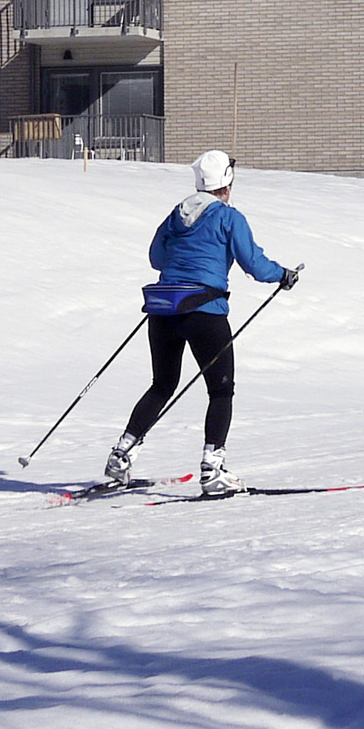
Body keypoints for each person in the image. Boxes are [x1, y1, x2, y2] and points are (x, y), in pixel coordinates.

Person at [104, 149, 297, 497]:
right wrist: (282, 275)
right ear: (227, 182)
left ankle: (122, 454)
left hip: (164, 309)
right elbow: (252, 263)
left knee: (162, 384)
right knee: (220, 390)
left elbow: (156, 257)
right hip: (205, 312)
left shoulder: (177, 214)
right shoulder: (228, 216)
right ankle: (213, 469)